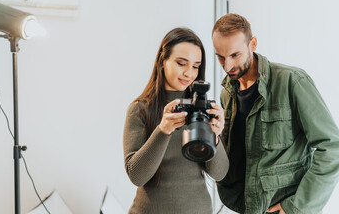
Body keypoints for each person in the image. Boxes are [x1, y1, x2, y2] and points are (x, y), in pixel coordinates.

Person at [212, 13, 339, 214]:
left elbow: (332, 147)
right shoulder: (226, 93)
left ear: (253, 44)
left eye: (235, 55)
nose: (227, 66)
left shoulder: (292, 81)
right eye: (220, 56)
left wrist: (297, 207)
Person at [123, 27, 229, 214]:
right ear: (163, 61)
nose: (189, 73)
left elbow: (219, 173)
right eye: (181, 63)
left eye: (196, 66)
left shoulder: (202, 111)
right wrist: (163, 130)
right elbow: (137, 176)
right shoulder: (140, 109)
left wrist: (216, 137)